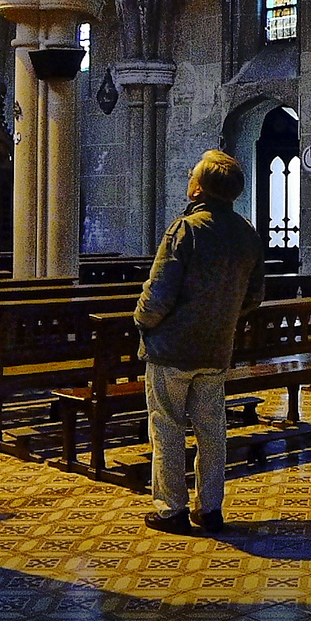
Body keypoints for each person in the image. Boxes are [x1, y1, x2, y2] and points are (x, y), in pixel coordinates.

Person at [133, 149, 266, 534]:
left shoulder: (185, 230)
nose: (189, 180)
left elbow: (157, 295)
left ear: (199, 189)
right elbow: (254, 297)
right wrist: (221, 317)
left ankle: (171, 509)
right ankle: (210, 509)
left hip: (171, 349)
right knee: (212, 430)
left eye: (192, 175)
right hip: (216, 349)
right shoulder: (247, 235)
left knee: (167, 426)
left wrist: (141, 322)